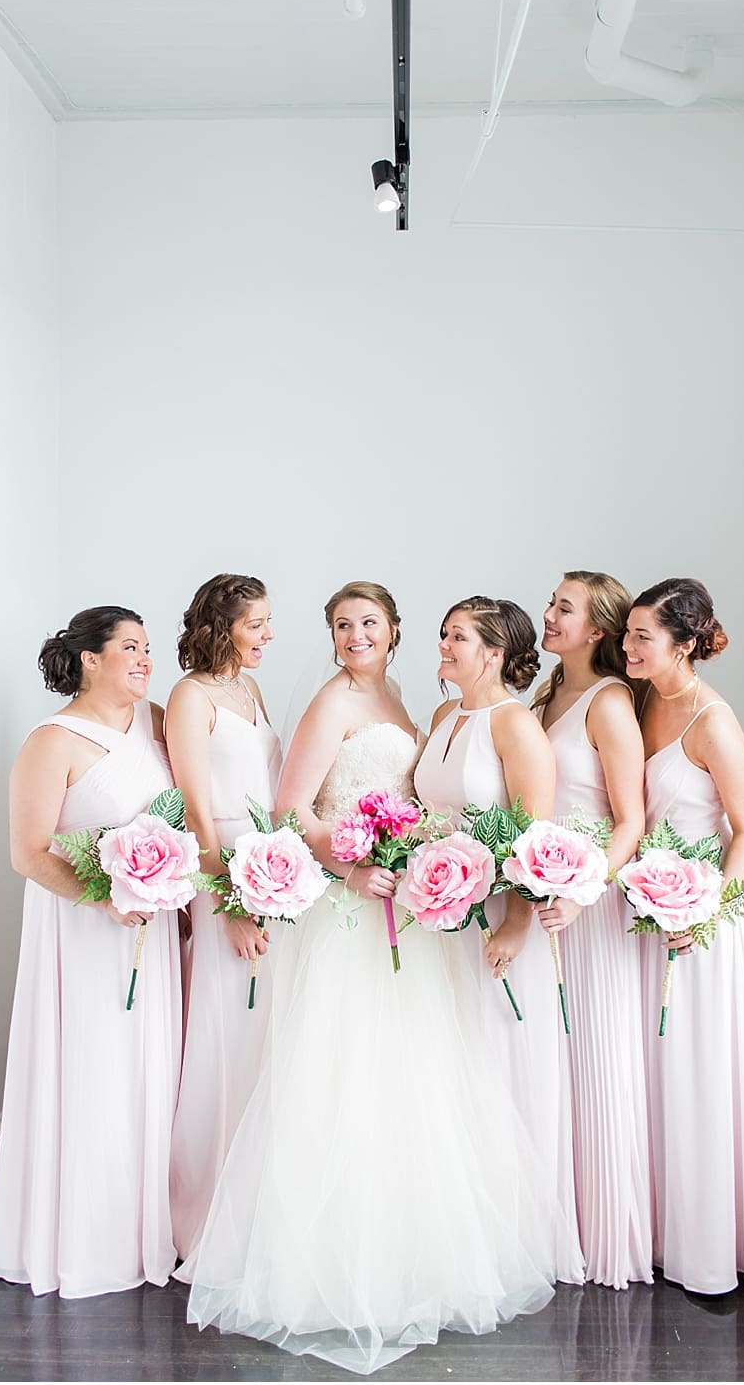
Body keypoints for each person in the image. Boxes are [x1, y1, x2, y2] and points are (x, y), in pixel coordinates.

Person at [183, 582, 566, 1374]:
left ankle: (414, 1251)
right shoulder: (331, 703)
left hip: (414, 916)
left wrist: (423, 859)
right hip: (355, 915)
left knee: (418, 1077)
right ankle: (332, 1267)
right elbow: (293, 810)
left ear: (393, 631)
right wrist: (352, 867)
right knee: (343, 1076)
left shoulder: (411, 703)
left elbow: (428, 802)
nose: (354, 634)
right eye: (340, 625)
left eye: (368, 622)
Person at [0, 606, 181, 1298]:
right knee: (94, 1067)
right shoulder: (52, 740)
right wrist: (105, 896)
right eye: (128, 646)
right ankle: (86, 1238)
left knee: (150, 1070)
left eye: (147, 648)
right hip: (82, 933)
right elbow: (27, 853)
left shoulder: (157, 724)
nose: (143, 658)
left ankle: (145, 1225)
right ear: (88, 658)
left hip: (153, 933)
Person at [625, 577, 744, 1293]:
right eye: (629, 633)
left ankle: (713, 1241)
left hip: (711, 911)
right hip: (653, 904)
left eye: (643, 636)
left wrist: (701, 908)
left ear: (686, 643)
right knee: (661, 1066)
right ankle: (663, 1228)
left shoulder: (712, 721)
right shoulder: (639, 700)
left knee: (703, 1064)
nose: (629, 645)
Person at [413, 596, 583, 1287]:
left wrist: (514, 923)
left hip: (496, 925)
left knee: (500, 1066)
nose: (444, 646)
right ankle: (449, 1225)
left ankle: (513, 1236)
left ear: (493, 651)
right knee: (447, 1068)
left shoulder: (514, 726)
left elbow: (532, 834)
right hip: (437, 919)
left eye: (457, 638)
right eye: (444, 635)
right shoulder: (440, 716)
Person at [533, 571, 652, 1288]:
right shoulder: (549, 695)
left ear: (597, 629)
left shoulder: (608, 704)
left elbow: (630, 820)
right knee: (552, 1067)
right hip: (540, 898)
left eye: (563, 608)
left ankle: (606, 1235)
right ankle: (553, 1223)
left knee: (596, 1062)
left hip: (589, 906)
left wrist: (582, 890)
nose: (548, 615)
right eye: (550, 603)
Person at [164, 575, 282, 1257]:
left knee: (261, 1038)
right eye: (255, 624)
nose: (267, 635)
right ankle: (205, 1211)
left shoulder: (249, 689)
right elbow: (195, 805)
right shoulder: (190, 696)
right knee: (222, 1033)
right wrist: (225, 904)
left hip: (271, 873)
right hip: (224, 880)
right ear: (220, 625)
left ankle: (257, 1199)